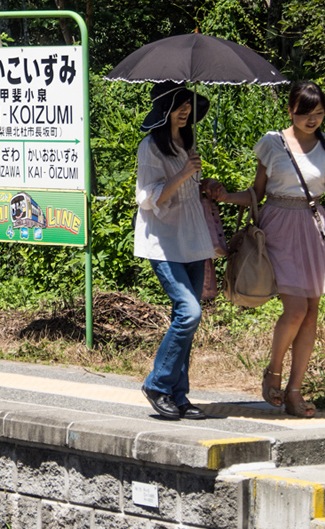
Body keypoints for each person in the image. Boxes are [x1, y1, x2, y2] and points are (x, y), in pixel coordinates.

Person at [208, 81, 325, 418]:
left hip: (312, 228)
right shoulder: (273, 143)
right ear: (290, 111)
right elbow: (257, 192)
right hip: (277, 228)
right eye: (305, 113)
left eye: (319, 113)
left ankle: (295, 392)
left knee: (312, 312)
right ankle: (274, 372)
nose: (312, 120)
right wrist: (224, 197)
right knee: (296, 309)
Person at [136, 81, 216, 421]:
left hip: (193, 238)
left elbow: (188, 193)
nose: (185, 111)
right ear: (163, 110)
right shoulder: (151, 147)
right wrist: (184, 173)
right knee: (189, 312)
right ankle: (157, 384)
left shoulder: (189, 140)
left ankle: (178, 396)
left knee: (185, 320)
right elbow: (150, 198)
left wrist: (204, 183)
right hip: (164, 241)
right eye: (178, 105)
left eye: (188, 105)